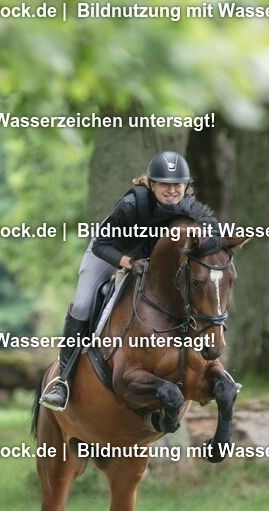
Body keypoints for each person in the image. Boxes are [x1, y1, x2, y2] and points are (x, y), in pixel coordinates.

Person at [39, 150, 195, 411]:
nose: (172, 191)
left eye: (177, 185)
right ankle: (62, 382)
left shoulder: (188, 209)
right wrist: (129, 263)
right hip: (109, 253)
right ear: (152, 184)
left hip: (148, 259)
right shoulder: (132, 205)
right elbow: (101, 245)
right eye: (165, 185)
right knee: (81, 306)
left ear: (186, 186)